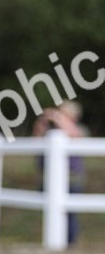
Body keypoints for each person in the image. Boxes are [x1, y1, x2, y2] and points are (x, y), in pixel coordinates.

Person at [32, 100, 87, 245]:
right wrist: (44, 121)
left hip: (71, 179)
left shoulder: (79, 129)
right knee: (51, 213)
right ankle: (56, 242)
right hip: (48, 178)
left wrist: (57, 117)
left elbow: (74, 135)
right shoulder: (51, 132)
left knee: (70, 215)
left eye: (63, 114)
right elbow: (36, 138)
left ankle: (70, 243)